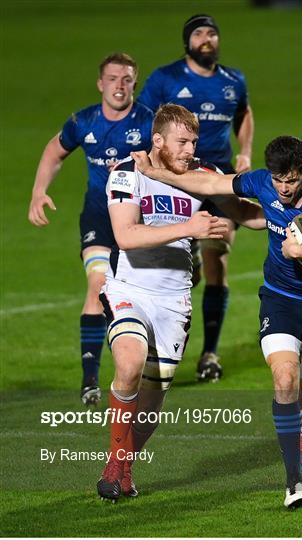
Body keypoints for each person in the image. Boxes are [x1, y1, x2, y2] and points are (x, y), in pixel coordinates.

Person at [131, 135, 302, 508]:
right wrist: (155, 172)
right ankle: (293, 483)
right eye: (277, 180)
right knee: (284, 380)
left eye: (291, 180)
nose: (284, 188)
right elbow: (210, 183)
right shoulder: (261, 181)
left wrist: (299, 249)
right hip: (280, 301)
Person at [96, 104, 264, 501]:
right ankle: (114, 466)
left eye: (194, 141)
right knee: (129, 363)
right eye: (182, 141)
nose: (190, 149)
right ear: (158, 141)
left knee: (152, 406)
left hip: (174, 301)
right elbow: (126, 235)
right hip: (129, 290)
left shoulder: (199, 176)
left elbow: (248, 214)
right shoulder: (127, 172)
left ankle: (125, 466)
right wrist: (191, 227)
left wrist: (286, 211)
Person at [28, 53, 154, 406]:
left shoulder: (148, 122)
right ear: (101, 83)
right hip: (99, 217)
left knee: (143, 293)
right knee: (98, 284)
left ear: (135, 83)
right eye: (113, 79)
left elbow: (167, 164)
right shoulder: (83, 121)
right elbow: (55, 151)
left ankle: (143, 370)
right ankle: (90, 380)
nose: (119, 85)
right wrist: (39, 191)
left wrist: (137, 165)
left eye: (127, 79)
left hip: (138, 220)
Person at [138, 14, 254, 382]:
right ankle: (158, 339)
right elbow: (144, 120)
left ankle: (210, 353)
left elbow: (245, 113)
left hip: (217, 181)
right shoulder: (165, 78)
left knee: (217, 258)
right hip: (176, 182)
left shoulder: (233, 80)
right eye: (199, 34)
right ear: (187, 41)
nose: (207, 39)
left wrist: (245, 150)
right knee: (187, 272)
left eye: (212, 34)